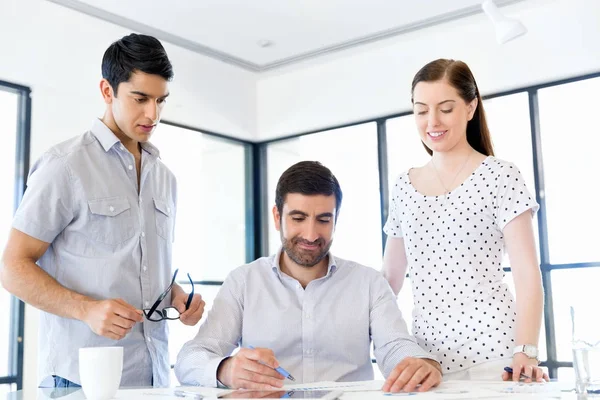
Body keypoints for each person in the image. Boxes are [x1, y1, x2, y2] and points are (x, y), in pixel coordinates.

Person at [0, 33, 204, 388]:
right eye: (140, 98)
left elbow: (141, 266)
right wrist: (86, 309)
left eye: (161, 100)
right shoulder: (64, 166)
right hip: (80, 383)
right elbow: (13, 268)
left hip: (153, 379)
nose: (153, 114)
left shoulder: (165, 178)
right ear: (107, 91)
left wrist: (177, 298)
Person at [175, 161, 442, 393]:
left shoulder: (369, 283)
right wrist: (225, 369)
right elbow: (191, 358)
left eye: (324, 219)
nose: (311, 234)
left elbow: (396, 345)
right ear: (277, 217)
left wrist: (418, 363)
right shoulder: (243, 282)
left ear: (336, 219)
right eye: (299, 218)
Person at [382, 58, 547, 382]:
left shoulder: (501, 175)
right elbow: (390, 278)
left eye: (445, 108)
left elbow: (527, 273)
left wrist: (525, 350)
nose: (432, 121)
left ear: (470, 107)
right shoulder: (403, 186)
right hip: (427, 362)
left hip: (495, 354)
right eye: (421, 110)